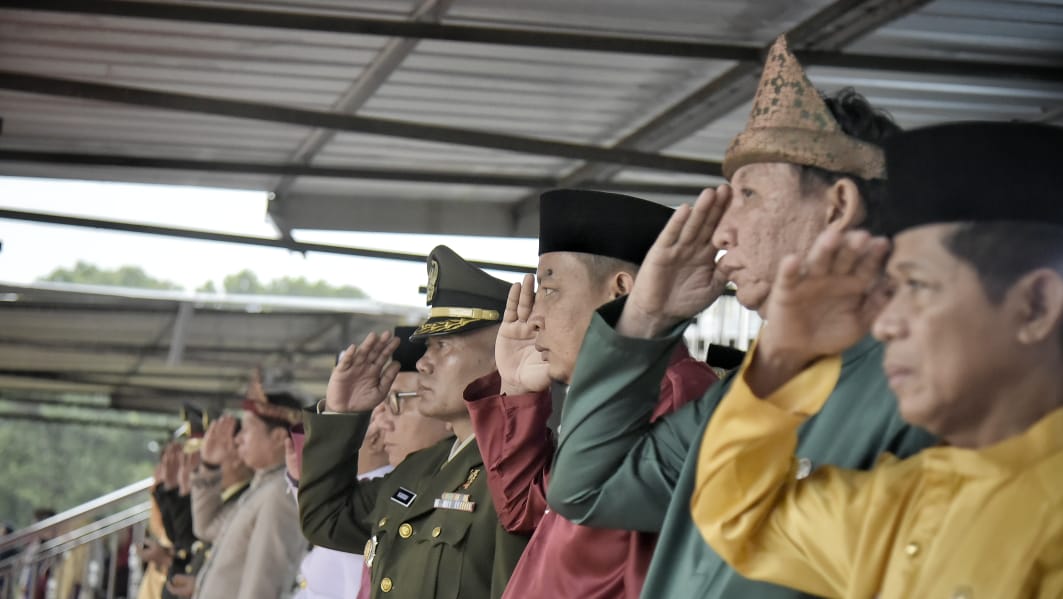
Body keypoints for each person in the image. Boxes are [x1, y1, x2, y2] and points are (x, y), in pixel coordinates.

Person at [544, 35, 936, 599]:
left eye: (749, 195)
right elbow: (587, 490)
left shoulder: (922, 387)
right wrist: (646, 316)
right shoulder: (750, 390)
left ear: (838, 207)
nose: (723, 232)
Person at [690, 121, 1063, 598]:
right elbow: (738, 514)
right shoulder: (901, 500)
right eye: (891, 290)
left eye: (918, 286)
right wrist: (784, 355)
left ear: (1035, 306)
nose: (887, 323)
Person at [463, 189, 718, 599]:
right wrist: (516, 391)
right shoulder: (615, 396)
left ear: (620, 290)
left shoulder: (674, 393)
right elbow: (527, 512)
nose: (534, 319)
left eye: (549, 290)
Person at [298, 245, 529, 599]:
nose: (423, 363)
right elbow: (326, 519)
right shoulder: (420, 469)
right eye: (428, 347)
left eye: (444, 345)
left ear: (503, 353)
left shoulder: (520, 474)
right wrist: (341, 413)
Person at [190, 390, 306, 599]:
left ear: (279, 437)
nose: (238, 440)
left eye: (247, 430)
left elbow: (264, 581)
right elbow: (206, 527)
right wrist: (209, 466)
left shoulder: (281, 493)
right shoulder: (263, 487)